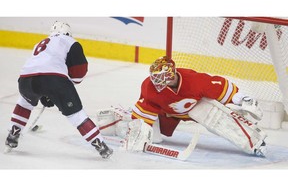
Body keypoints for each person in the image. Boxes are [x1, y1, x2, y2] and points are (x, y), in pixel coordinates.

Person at [107, 56, 267, 157]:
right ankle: (121, 121)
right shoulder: (149, 87)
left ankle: (254, 143)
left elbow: (222, 88)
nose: (156, 83)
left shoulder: (195, 81)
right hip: (165, 114)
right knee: (154, 138)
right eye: (155, 78)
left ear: (170, 75)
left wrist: (241, 99)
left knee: (213, 117)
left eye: (160, 78)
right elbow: (145, 111)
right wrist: (137, 131)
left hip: (195, 107)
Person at [5, 21, 113, 159]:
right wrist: (57, 89)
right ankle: (101, 146)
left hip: (25, 80)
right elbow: (79, 73)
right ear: (68, 32)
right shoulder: (70, 41)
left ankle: (12, 135)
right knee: (76, 115)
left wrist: (46, 92)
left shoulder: (40, 42)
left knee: (24, 103)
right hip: (54, 81)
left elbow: (37, 68)